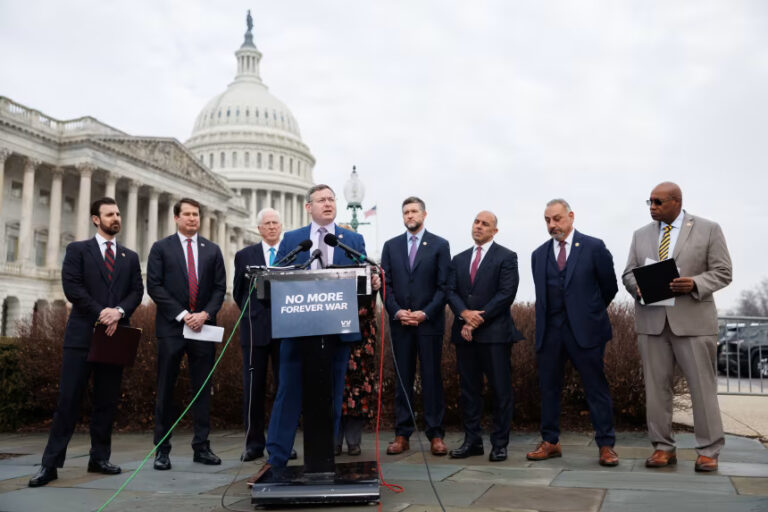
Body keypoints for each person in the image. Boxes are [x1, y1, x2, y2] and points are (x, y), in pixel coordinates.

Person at [259, 184, 380, 477]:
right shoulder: (293, 240)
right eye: (321, 200)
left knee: (333, 394)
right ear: (307, 206)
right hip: (297, 332)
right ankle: (275, 459)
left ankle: (326, 459)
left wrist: (372, 284)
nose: (327, 204)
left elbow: (361, 285)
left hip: (337, 333)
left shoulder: (351, 239)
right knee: (287, 393)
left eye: (331, 199)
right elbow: (278, 279)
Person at [29, 197, 144, 487]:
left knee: (106, 401)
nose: (115, 218)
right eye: (109, 214)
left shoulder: (129, 257)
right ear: (96, 219)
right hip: (82, 336)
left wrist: (118, 312)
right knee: (68, 401)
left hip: (115, 336)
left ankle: (100, 458)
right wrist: (102, 312)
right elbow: (73, 287)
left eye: (117, 213)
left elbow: (136, 291)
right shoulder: (78, 250)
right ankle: (50, 464)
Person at [622, 182, 732, 472]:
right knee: (656, 390)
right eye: (650, 202)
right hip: (652, 322)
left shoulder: (708, 229)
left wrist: (696, 283)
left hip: (693, 322)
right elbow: (628, 274)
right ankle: (662, 448)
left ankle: (708, 450)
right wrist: (638, 289)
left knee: (702, 389)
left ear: (676, 202)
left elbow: (723, 272)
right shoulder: (640, 234)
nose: (652, 207)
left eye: (658, 202)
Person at [527, 199, 619, 466]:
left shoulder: (594, 247)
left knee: (596, 389)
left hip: (587, 333)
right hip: (550, 333)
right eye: (547, 220)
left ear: (571, 216)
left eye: (557, 218)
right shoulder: (538, 254)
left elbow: (609, 287)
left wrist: (588, 313)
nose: (552, 224)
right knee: (549, 389)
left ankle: (606, 445)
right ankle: (550, 441)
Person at [147, 197, 226, 471]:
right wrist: (183, 315)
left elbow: (219, 288)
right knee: (166, 389)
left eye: (196, 214)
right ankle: (162, 450)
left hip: (203, 327)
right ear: (176, 218)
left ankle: (202, 447)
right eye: (188, 214)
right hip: (172, 327)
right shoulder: (161, 248)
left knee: (203, 389)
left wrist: (204, 314)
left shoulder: (212, 250)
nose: (193, 219)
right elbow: (154, 286)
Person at [446, 211, 522, 462]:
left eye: (485, 224)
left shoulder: (507, 257)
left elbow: (506, 293)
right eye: (476, 222)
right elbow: (451, 291)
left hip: (495, 335)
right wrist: (464, 314)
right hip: (464, 335)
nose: (478, 227)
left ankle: (499, 443)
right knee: (469, 391)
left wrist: (478, 318)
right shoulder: (458, 259)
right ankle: (472, 441)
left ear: (494, 231)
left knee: (500, 391)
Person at [380, 196, 450, 456]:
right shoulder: (391, 246)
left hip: (428, 324)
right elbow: (385, 285)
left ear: (424, 214)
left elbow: (444, 287)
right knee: (403, 379)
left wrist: (425, 313)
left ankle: (435, 434)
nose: (410, 216)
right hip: (401, 325)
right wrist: (397, 311)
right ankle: (402, 434)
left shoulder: (440, 245)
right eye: (406, 212)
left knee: (431, 379)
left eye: (414, 212)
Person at [233, 208, 294, 461]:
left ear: (281, 226)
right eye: (266, 223)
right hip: (255, 332)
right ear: (259, 228)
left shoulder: (293, 254)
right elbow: (239, 293)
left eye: (275, 223)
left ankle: (282, 444)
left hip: (287, 331)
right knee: (253, 390)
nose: (271, 227)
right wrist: (256, 315)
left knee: (285, 390)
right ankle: (253, 444)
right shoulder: (244, 255)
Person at [336, 294, 378, 456]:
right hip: (329, 323)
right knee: (333, 385)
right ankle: (334, 440)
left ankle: (353, 441)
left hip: (361, 331)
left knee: (358, 386)